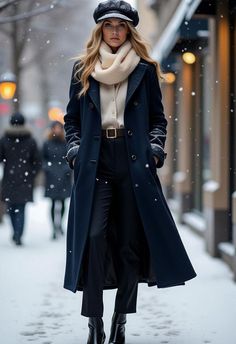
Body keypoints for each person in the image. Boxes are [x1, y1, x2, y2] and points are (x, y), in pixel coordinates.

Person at [63, 1, 197, 343]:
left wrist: (154, 147)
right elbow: (72, 120)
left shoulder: (145, 69)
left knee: (128, 246)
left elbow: (157, 118)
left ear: (129, 30)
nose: (114, 31)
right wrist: (75, 149)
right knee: (93, 238)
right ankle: (95, 321)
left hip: (133, 160)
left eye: (120, 25)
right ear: (100, 30)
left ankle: (121, 318)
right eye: (109, 25)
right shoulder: (83, 68)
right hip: (95, 161)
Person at [0, 112, 41, 246]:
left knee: (11, 207)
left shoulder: (4, 139)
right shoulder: (30, 140)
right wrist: (31, 174)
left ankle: (15, 232)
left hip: (9, 178)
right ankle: (19, 234)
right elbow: (37, 161)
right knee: (21, 208)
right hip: (25, 179)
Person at [42, 120, 72, 239]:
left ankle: (60, 225)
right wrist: (48, 168)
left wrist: (66, 169)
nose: (57, 130)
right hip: (51, 178)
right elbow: (42, 159)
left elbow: (69, 157)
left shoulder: (65, 142)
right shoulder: (47, 143)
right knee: (53, 203)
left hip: (64, 177)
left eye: (59, 128)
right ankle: (54, 228)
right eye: (55, 128)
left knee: (63, 203)